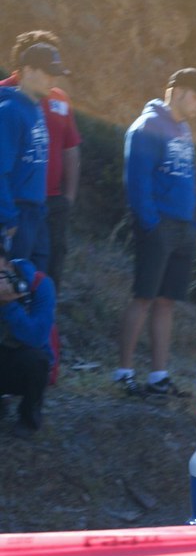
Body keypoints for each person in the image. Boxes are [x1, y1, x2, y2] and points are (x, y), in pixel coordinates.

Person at [114, 68, 196, 398]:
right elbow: (137, 181)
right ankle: (124, 372)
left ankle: (158, 375)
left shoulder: (184, 129)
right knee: (143, 297)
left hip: (182, 227)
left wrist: (191, 223)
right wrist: (151, 223)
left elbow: (184, 179)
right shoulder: (147, 126)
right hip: (157, 226)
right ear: (179, 92)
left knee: (166, 301)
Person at [1, 31, 80, 291]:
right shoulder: (9, 111)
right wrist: (9, 218)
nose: (52, 79)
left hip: (38, 212)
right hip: (17, 214)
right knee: (10, 289)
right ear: (27, 69)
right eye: (47, 72)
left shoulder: (36, 109)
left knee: (35, 286)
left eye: (55, 73)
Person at [0, 242, 55, 439]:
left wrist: (8, 306)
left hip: (21, 361)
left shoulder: (39, 285)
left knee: (38, 360)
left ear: (8, 266)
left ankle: (28, 417)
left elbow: (37, 337)